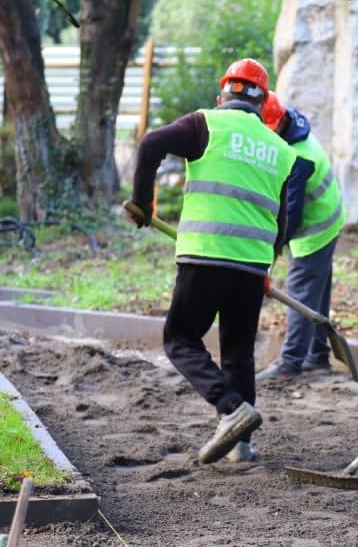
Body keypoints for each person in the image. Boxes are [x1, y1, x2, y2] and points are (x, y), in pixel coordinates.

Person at [127, 58, 310, 465]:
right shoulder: (281, 150)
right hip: (251, 267)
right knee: (239, 354)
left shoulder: (205, 123)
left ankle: (231, 408)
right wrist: (266, 268)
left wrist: (142, 202)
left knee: (180, 339)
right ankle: (241, 447)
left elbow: (150, 144)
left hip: (205, 256)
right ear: (263, 104)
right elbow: (280, 222)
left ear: (221, 96)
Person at [256, 92, 346, 381]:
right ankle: (317, 356)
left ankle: (290, 363)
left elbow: (290, 215)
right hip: (328, 216)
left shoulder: (298, 158)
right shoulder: (293, 128)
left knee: (301, 291)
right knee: (315, 293)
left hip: (316, 228)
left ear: (279, 122)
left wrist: (270, 250)